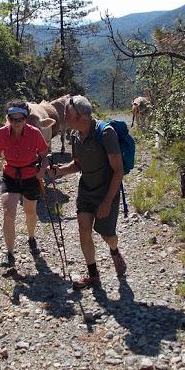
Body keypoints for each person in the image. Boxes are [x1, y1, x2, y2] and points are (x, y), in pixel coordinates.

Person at [48, 95, 126, 288]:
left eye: (67, 113)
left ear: (80, 116)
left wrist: (107, 201)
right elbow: (78, 164)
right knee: (84, 229)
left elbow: (118, 170)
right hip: (86, 190)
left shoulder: (106, 133)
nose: (64, 116)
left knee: (106, 234)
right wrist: (58, 171)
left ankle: (114, 250)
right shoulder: (75, 136)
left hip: (106, 192)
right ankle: (93, 275)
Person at [0, 100, 49, 267]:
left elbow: (43, 155)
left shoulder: (35, 133)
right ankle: (10, 254)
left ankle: (31, 237)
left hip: (30, 176)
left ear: (26, 118)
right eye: (13, 119)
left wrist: (42, 170)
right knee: (8, 213)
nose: (16, 122)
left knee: (30, 212)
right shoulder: (2, 133)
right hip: (10, 175)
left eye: (20, 119)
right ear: (8, 118)